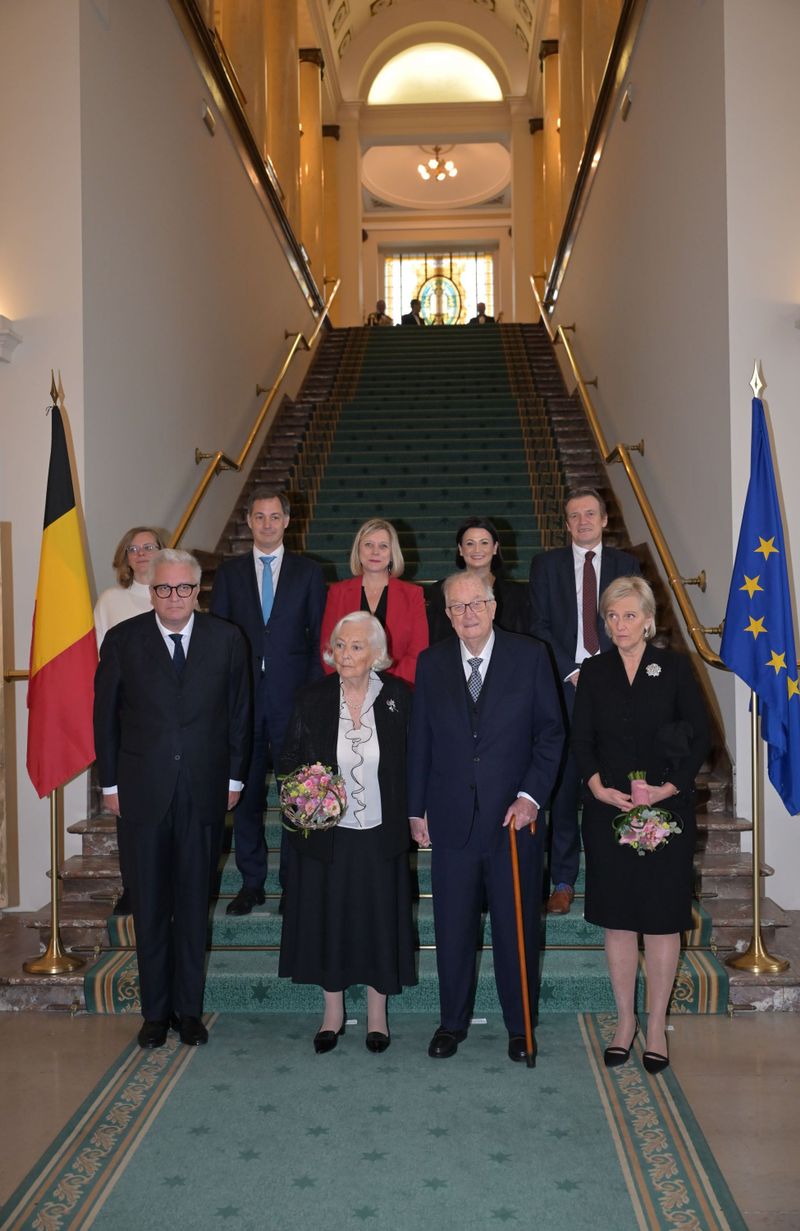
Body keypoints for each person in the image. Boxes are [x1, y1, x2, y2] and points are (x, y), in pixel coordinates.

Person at [93, 549, 251, 1049]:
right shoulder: (123, 640)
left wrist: (235, 779)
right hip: (141, 793)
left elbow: (239, 714)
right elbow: (106, 717)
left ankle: (189, 1011)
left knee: (192, 903)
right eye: (164, 588)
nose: (174, 597)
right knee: (151, 905)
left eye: (184, 588)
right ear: (152, 589)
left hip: (204, 791)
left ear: (197, 589)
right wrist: (111, 784)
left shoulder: (226, 639)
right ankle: (155, 1013)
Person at [408, 573, 563, 1063]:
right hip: (451, 819)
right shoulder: (431, 663)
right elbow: (420, 742)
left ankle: (520, 1027)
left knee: (516, 930)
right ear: (447, 614)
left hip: (513, 820)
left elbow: (551, 735)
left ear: (494, 606)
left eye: (476, 603)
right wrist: (416, 809)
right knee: (452, 928)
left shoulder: (530, 655)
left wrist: (530, 796)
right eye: (457, 607)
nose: (467, 613)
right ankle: (451, 1023)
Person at [571, 576, 709, 1074]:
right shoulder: (595, 671)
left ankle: (655, 1025)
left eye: (630, 615)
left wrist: (669, 789)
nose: (620, 624)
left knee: (662, 919)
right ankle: (625, 1022)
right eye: (612, 615)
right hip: (610, 813)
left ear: (648, 620)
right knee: (620, 919)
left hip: (666, 813)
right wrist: (596, 786)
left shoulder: (672, 668)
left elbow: (699, 738)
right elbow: (581, 739)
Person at [279, 612, 416, 1053]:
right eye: (340, 645)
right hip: (328, 834)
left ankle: (378, 1015)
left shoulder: (401, 697)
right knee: (329, 919)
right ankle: (332, 1013)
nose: (346, 654)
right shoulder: (311, 698)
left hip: (381, 830)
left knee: (381, 919)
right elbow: (288, 760)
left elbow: (418, 762)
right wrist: (308, 791)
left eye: (357, 646)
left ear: (377, 653)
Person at [209, 487, 326, 915]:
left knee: (297, 796)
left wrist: (313, 699)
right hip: (242, 705)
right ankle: (251, 883)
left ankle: (294, 886)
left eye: (274, 517)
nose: (267, 524)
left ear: (287, 521)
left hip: (294, 704)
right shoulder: (230, 573)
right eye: (259, 517)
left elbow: (319, 641)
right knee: (245, 798)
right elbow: (218, 639)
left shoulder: (311, 573)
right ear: (249, 522)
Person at [529, 487, 640, 916]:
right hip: (564, 686)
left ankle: (615, 875)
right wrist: (573, 671)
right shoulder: (547, 565)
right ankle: (561, 881)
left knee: (612, 784)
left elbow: (635, 621)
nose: (583, 521)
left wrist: (607, 672)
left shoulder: (626, 565)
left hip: (614, 686)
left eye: (590, 513)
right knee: (561, 788)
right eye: (574, 515)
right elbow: (538, 625)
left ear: (605, 519)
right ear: (567, 522)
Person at [93, 524, 166, 915]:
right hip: (129, 723)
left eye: (149, 547)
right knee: (131, 814)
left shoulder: (175, 596)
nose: (141, 554)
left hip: (170, 725)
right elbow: (103, 667)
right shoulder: (111, 600)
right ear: (125, 556)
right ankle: (133, 887)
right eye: (134, 548)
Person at [320, 518, 428, 686]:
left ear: (393, 553)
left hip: (398, 689)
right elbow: (327, 647)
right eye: (368, 545)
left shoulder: (413, 595)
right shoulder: (337, 592)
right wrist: (350, 685)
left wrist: (387, 687)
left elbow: (418, 653)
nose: (375, 552)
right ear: (358, 550)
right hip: (346, 689)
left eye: (383, 546)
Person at [426, 517, 529, 643]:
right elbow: (435, 638)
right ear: (460, 549)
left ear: (495, 547)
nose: (477, 550)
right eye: (470, 543)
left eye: (484, 543)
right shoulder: (440, 591)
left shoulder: (517, 594)